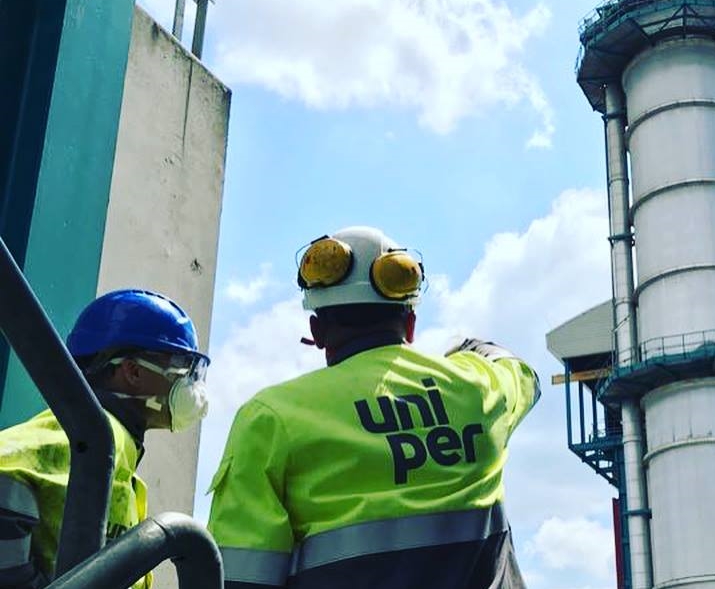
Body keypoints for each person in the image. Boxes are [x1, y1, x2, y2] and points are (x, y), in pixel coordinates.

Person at [208, 226, 540, 589]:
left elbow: (240, 577)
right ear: (410, 325)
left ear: (317, 332)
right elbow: (518, 370)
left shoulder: (270, 418)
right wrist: (464, 350)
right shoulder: (478, 389)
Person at [0, 289, 211, 589]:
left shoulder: (115, 449)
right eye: (182, 366)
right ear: (133, 371)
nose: (192, 385)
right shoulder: (92, 433)